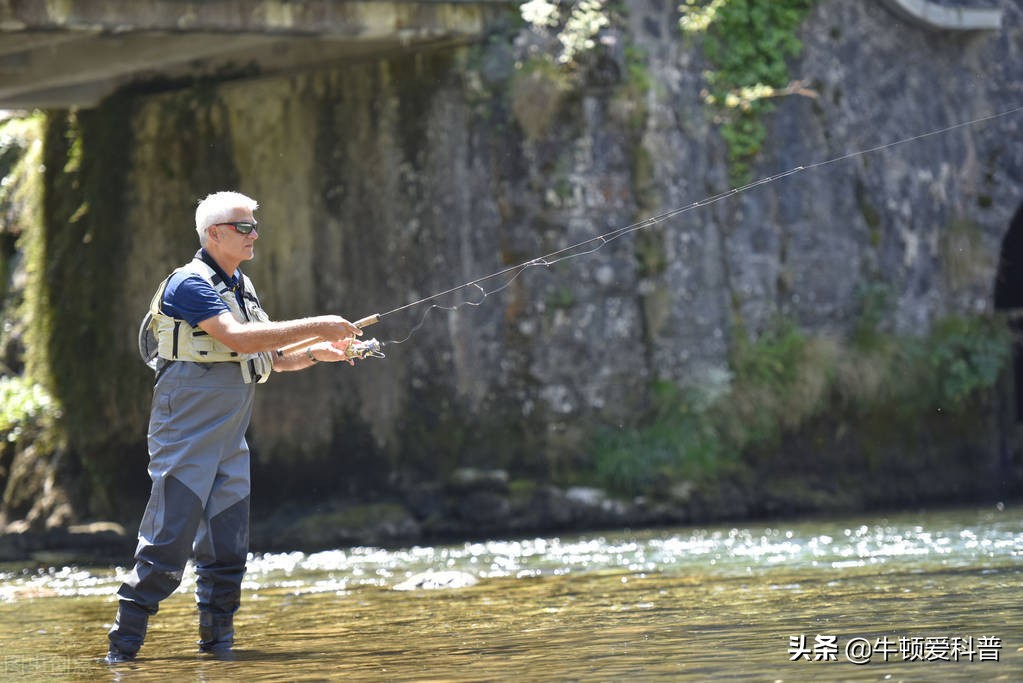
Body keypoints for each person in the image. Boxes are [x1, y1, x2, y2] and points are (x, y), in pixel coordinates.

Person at [106, 191, 362, 663]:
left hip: (230, 439)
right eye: (244, 227)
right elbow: (238, 337)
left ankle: (217, 651)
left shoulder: (241, 286)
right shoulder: (188, 284)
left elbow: (269, 357)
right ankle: (121, 653)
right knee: (167, 545)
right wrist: (321, 323)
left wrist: (314, 351)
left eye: (253, 226)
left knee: (228, 551)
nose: (254, 234)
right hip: (186, 430)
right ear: (214, 234)